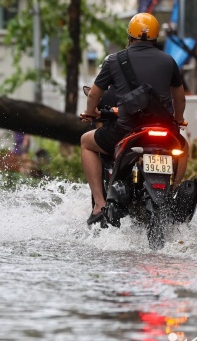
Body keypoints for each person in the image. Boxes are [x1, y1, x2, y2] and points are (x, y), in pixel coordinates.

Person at [80, 13, 187, 226]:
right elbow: (180, 98)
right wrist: (179, 120)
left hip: (127, 130)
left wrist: (90, 112)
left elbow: (93, 94)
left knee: (86, 142)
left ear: (129, 37)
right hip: (163, 131)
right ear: (155, 38)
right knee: (184, 147)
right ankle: (173, 191)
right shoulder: (169, 61)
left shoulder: (113, 60)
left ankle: (100, 205)